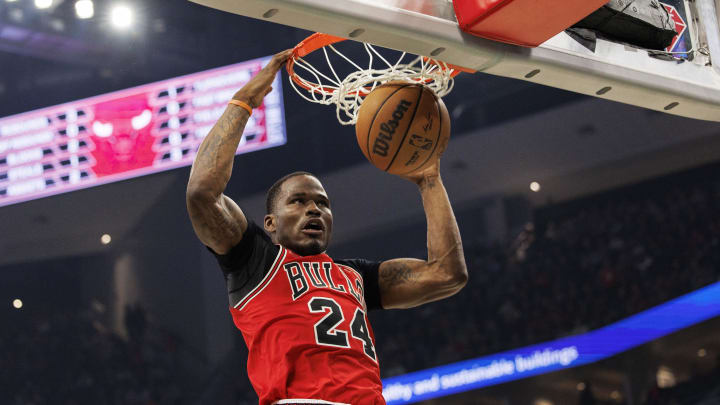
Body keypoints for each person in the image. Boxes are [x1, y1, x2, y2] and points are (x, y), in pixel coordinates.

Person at [186, 50, 468, 405]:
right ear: (270, 223)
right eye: (299, 201)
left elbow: (447, 275)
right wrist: (244, 102)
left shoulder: (355, 278)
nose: (314, 209)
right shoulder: (255, 262)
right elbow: (202, 194)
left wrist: (429, 180)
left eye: (322, 203)